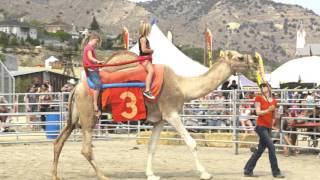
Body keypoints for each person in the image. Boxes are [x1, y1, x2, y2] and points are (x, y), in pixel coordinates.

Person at [244, 82, 285, 178]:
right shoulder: (258, 98)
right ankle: (276, 172)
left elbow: (274, 116)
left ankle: (248, 170)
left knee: (260, 150)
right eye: (261, 86)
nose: (263, 87)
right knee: (271, 147)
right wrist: (268, 110)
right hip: (261, 127)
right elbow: (258, 112)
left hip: (268, 127)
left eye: (265, 86)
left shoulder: (274, 101)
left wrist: (279, 114)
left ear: (269, 87)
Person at [82, 33, 104, 117]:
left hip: (93, 68)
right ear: (93, 39)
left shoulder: (88, 47)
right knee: (98, 84)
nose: (97, 43)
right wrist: (97, 61)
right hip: (92, 69)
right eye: (97, 41)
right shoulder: (89, 48)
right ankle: (95, 103)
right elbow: (90, 58)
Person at [139, 21, 155, 99]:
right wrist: (151, 50)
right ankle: (147, 90)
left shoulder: (144, 38)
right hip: (144, 59)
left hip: (146, 59)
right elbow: (143, 50)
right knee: (151, 71)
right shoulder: (143, 39)